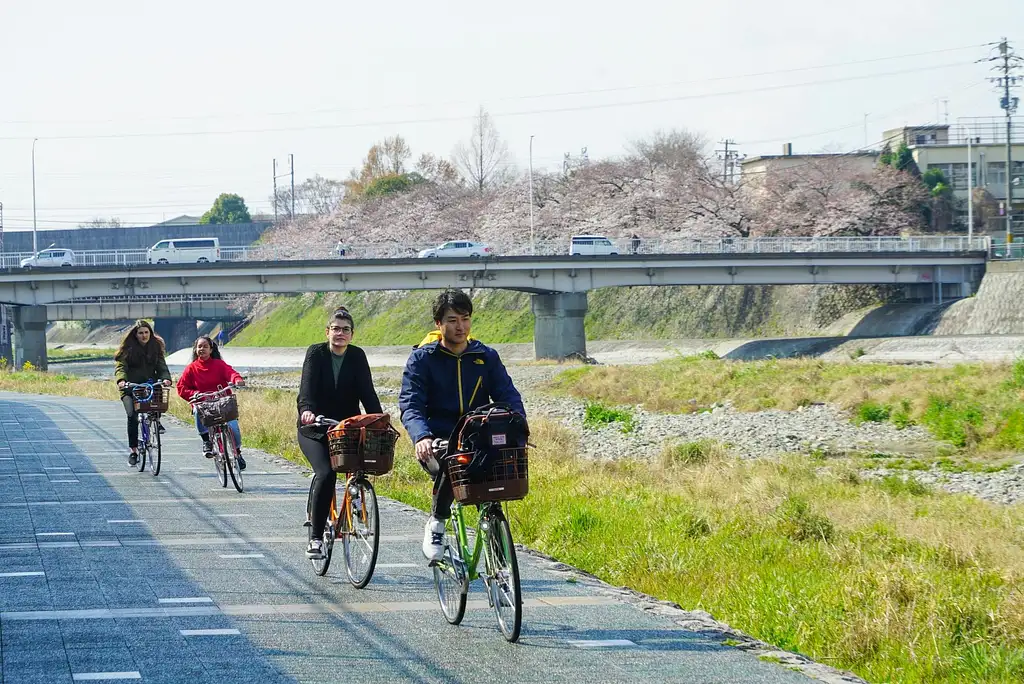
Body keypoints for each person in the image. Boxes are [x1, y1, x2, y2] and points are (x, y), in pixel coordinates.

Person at [399, 288, 526, 562]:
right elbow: (411, 404)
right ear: (438, 324)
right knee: (452, 460)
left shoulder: (486, 356)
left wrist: (519, 423)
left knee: (493, 484)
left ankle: (500, 564)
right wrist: (421, 437)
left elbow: (507, 394)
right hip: (439, 441)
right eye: (453, 320)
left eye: (465, 319)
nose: (461, 327)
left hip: (477, 435)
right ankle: (436, 523)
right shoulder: (423, 360)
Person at [297, 307, 383, 559]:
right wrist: (307, 411)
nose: (340, 333)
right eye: (335, 329)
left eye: (345, 330)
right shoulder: (316, 353)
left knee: (358, 467)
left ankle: (355, 508)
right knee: (326, 473)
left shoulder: (357, 356)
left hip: (345, 427)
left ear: (352, 334)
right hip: (315, 427)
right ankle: (315, 538)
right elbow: (306, 389)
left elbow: (368, 392)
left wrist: (379, 418)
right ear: (327, 332)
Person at [176, 336, 247, 470]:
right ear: (195, 350)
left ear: (211, 349)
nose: (202, 349)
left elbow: (231, 373)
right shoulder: (191, 368)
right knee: (197, 409)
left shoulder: (219, 364)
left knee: (234, 428)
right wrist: (194, 394)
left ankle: (237, 453)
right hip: (204, 405)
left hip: (223, 402)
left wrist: (237, 380)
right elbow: (181, 387)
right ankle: (206, 441)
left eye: (205, 346)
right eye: (199, 346)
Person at [114, 320, 172, 466]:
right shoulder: (128, 349)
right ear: (136, 334)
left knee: (158, 396)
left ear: (150, 333)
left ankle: (156, 420)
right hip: (130, 387)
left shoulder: (155, 347)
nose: (144, 335)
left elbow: (162, 366)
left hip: (147, 386)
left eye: (146, 332)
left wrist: (166, 379)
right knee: (132, 415)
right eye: (141, 333)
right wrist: (122, 380)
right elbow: (121, 367)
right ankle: (133, 451)